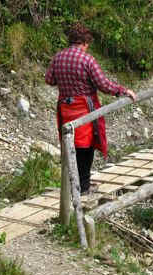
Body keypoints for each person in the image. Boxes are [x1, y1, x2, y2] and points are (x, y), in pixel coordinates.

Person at [45, 23, 136, 195]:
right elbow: (103, 84)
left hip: (65, 108)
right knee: (86, 147)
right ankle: (83, 186)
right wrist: (123, 91)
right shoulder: (87, 60)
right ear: (85, 42)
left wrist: (67, 83)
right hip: (85, 110)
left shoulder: (58, 57)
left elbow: (49, 80)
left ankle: (74, 185)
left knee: (71, 144)